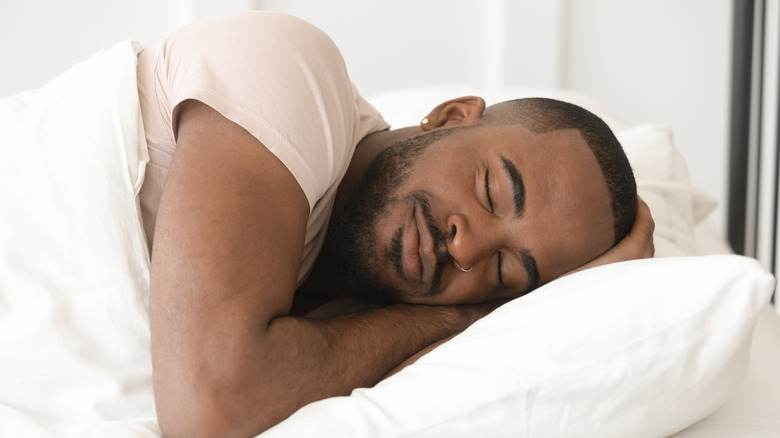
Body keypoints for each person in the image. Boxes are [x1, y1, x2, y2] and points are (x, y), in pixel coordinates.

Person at [137, 11, 654, 438]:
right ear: (452, 115)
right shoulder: (289, 71)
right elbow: (213, 410)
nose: (468, 248)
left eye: (504, 272)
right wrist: (461, 318)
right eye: (492, 191)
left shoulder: (362, 317)